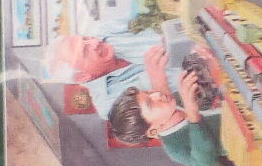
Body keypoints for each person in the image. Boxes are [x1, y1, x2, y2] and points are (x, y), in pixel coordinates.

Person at [108, 45, 256, 166]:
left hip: (246, 110)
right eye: (151, 104)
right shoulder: (174, 147)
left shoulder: (177, 102)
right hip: (249, 137)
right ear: (153, 131)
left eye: (148, 92)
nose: (157, 95)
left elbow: (211, 95)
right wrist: (192, 114)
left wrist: (206, 62)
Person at [44, 31, 175, 118]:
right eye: (85, 51)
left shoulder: (109, 31)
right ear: (83, 76)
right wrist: (158, 84)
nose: (95, 42)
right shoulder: (108, 104)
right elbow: (163, 119)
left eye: (86, 38)